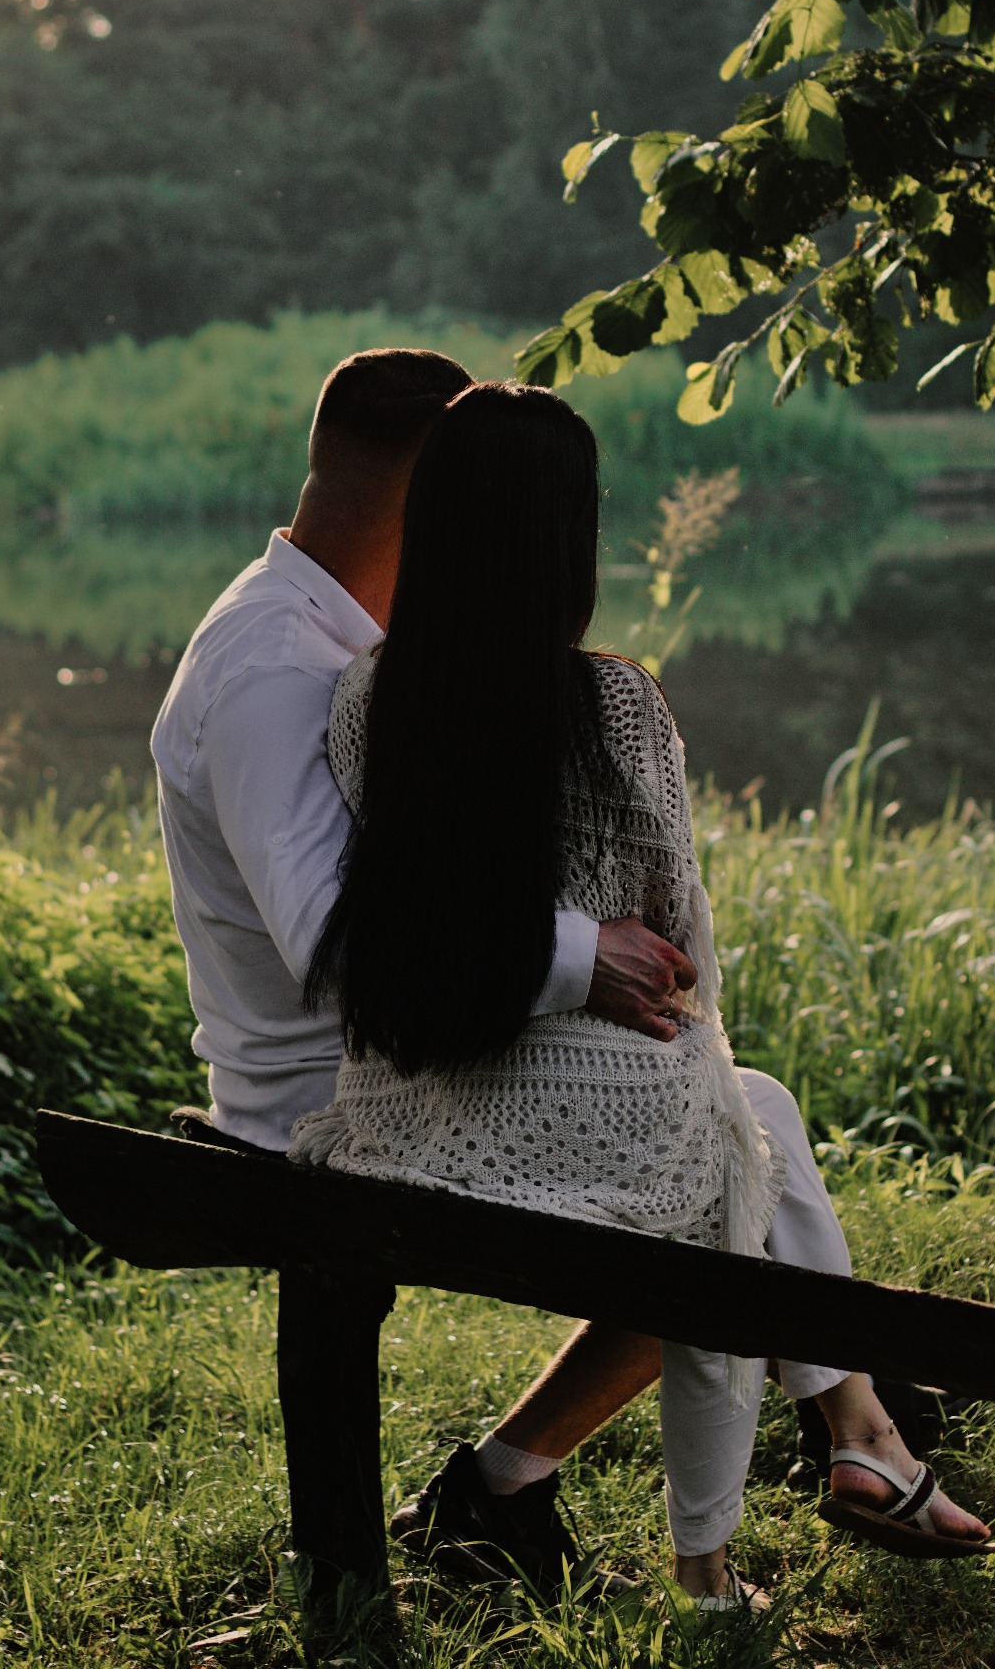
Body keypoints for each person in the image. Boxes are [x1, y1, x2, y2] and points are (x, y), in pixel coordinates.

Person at [295, 381, 993, 1607]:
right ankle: (751, 1525)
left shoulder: (362, 700)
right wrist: (655, 1009)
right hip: (580, 1135)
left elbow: (412, 920)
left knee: (746, 1119)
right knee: (740, 1142)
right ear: (568, 533)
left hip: (407, 1124)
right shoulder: (614, 703)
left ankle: (856, 1435)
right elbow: (683, 950)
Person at [150, 348, 690, 1604]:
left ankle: (510, 1481)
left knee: (724, 1126)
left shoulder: (346, 638)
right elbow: (338, 950)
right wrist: (576, 956)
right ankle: (825, 1442)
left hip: (414, 1055)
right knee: (723, 1158)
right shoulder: (273, 670)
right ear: (422, 501)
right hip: (330, 1104)